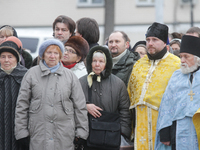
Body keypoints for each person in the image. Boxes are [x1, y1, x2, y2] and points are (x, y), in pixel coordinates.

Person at [15, 39, 89, 150]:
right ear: (43, 55)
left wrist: (82, 132)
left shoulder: (70, 76)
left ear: (60, 56)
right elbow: (22, 105)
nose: (52, 56)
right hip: (38, 135)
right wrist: (21, 132)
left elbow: (80, 106)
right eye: (49, 52)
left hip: (64, 136)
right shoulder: (31, 74)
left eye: (56, 53)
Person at [127, 22, 180, 150]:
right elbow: (130, 94)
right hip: (140, 122)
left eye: (155, 40)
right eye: (148, 39)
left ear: (164, 43)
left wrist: (170, 130)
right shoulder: (138, 65)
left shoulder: (176, 65)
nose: (150, 43)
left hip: (164, 124)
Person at [79, 45, 131, 150]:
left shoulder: (118, 83)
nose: (97, 64)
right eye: (94, 61)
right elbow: (71, 105)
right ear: (90, 62)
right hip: (87, 136)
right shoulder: (81, 82)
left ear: (107, 63)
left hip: (111, 136)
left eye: (101, 61)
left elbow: (125, 110)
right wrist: (85, 106)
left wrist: (122, 133)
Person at [155, 35, 200, 150]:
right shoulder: (176, 76)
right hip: (177, 129)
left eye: (186, 56)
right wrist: (165, 133)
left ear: (197, 58)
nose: (182, 60)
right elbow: (166, 105)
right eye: (181, 57)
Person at [0, 39, 27, 150]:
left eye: (10, 57)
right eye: (3, 56)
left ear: (17, 58)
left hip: (20, 128)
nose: (6, 60)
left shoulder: (26, 75)